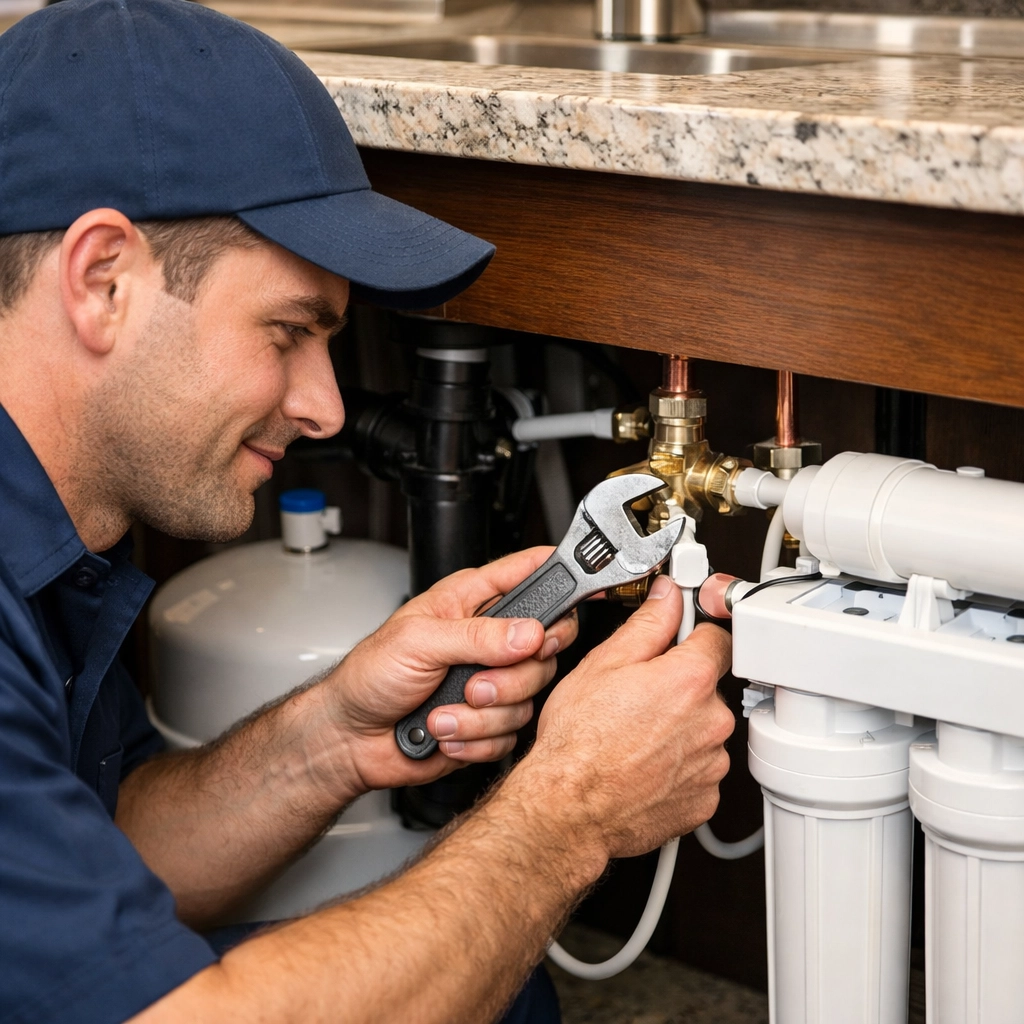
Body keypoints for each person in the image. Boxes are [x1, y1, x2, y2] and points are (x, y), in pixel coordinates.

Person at [0, 1, 735, 1022]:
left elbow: (104, 853)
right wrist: (570, 813)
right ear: (103, 280)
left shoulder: (55, 544)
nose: (327, 406)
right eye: (287, 330)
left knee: (501, 994)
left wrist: (337, 733)